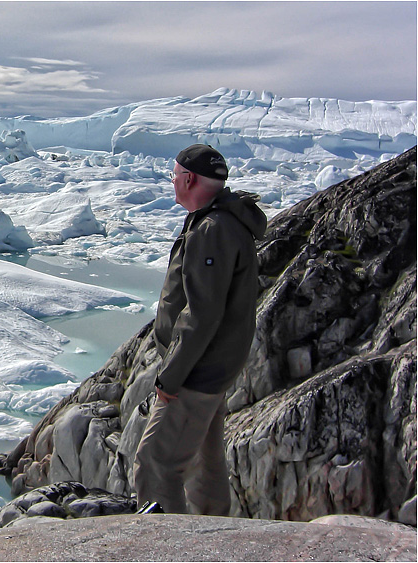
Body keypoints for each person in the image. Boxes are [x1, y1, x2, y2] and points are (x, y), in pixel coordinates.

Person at [132, 144, 267, 516]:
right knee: (206, 465)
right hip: (214, 366)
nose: (173, 183)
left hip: (197, 371)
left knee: (156, 463)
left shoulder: (213, 228)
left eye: (174, 176)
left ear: (189, 179)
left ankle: (169, 552)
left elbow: (203, 314)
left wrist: (171, 377)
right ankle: (216, 541)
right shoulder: (218, 220)